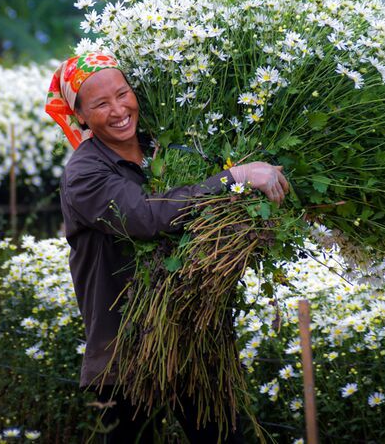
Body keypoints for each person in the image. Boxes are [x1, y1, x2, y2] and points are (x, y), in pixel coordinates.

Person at [45, 52, 289, 443]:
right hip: (125, 350)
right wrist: (236, 177)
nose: (119, 110)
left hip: (193, 336)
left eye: (123, 94)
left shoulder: (168, 144)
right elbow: (144, 217)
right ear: (81, 117)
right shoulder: (84, 174)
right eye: (101, 104)